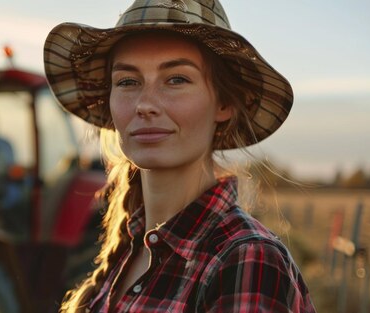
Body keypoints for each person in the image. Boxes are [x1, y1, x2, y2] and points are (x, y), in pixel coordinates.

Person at [43, 0, 316, 312]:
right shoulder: (128, 252)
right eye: (127, 82)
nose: (145, 104)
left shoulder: (245, 259)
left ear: (223, 104)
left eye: (176, 79)